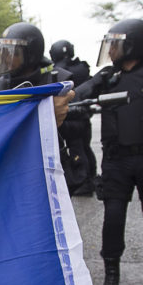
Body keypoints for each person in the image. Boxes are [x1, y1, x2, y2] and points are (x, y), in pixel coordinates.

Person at [75, 19, 143, 285]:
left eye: (117, 45)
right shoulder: (109, 77)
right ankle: (111, 274)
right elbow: (82, 91)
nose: (113, 51)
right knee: (113, 216)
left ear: (135, 45)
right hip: (116, 159)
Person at [51, 39, 96, 196]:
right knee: (85, 147)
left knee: (77, 148)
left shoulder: (60, 72)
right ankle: (90, 178)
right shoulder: (82, 68)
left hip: (71, 116)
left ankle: (83, 181)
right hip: (83, 115)